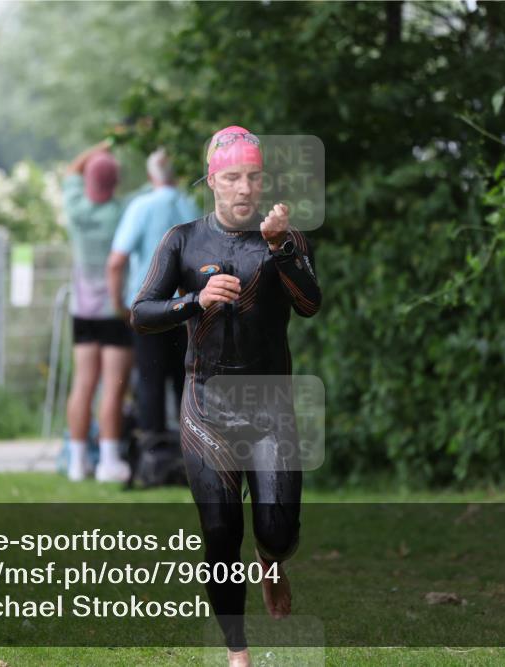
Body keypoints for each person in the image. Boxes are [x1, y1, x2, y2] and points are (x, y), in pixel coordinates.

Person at [131, 126, 321, 666]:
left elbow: (310, 305)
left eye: (254, 177)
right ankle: (238, 652)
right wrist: (194, 300)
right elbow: (141, 312)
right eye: (233, 177)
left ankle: (271, 561)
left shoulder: (284, 237)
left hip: (270, 409)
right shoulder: (182, 240)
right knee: (219, 531)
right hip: (206, 408)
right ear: (212, 181)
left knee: (277, 531)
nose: (244, 188)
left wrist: (280, 248)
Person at [107, 148, 200, 440]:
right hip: (187, 307)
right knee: (185, 379)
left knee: (149, 379)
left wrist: (119, 305)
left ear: (151, 175)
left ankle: (153, 448)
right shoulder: (191, 206)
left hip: (149, 306)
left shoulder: (141, 207)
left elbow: (116, 262)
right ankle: (190, 447)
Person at [61, 142, 133, 483]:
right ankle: (108, 461)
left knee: (83, 384)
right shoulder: (120, 212)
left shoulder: (75, 206)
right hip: (114, 310)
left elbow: (71, 170)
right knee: (113, 388)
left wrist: (105, 143)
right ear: (115, 182)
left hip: (81, 310)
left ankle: (77, 463)